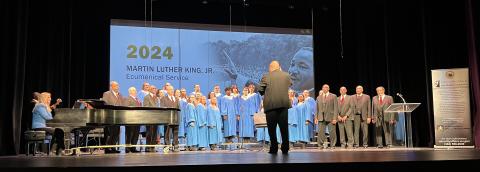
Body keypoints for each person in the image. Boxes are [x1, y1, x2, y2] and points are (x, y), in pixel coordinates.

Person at [258, 61, 292, 154]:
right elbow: (289, 85)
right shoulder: (286, 75)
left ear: (270, 67)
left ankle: (274, 148)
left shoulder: (266, 76)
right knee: (284, 128)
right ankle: (285, 148)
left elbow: (260, 90)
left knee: (271, 129)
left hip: (271, 106)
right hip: (283, 105)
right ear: (279, 67)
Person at [102, 81, 123, 153]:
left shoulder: (120, 95)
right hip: (110, 116)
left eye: (118, 85)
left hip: (118, 116)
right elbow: (105, 104)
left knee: (116, 133)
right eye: (116, 86)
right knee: (110, 133)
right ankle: (107, 148)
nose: (117, 87)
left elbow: (122, 104)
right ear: (111, 86)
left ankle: (113, 147)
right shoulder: (107, 93)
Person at [315, 84, 338, 149]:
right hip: (321, 117)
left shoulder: (333, 96)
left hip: (330, 117)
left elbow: (336, 108)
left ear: (328, 89)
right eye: (324, 87)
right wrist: (316, 117)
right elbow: (317, 108)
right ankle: (320, 145)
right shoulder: (319, 97)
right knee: (320, 132)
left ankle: (332, 145)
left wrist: (335, 118)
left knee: (332, 132)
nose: (325, 88)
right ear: (322, 89)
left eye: (326, 87)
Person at [160, 85, 180, 151]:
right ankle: (167, 145)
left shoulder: (176, 99)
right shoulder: (163, 98)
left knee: (175, 132)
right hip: (167, 118)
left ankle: (175, 145)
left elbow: (178, 109)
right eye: (170, 89)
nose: (172, 90)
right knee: (167, 133)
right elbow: (162, 108)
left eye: (172, 89)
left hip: (175, 118)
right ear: (167, 90)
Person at [123, 87, 141, 153]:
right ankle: (127, 148)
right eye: (133, 90)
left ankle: (133, 148)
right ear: (130, 92)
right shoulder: (127, 98)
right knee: (129, 134)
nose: (135, 91)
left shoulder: (137, 99)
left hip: (138, 119)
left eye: (135, 90)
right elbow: (126, 108)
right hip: (130, 120)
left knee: (136, 134)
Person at [143, 85, 159, 152]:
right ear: (149, 89)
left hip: (156, 118)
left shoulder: (156, 98)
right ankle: (148, 147)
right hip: (149, 118)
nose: (154, 89)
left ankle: (153, 147)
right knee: (149, 133)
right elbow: (145, 107)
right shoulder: (146, 97)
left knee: (154, 133)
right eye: (153, 88)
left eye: (155, 88)